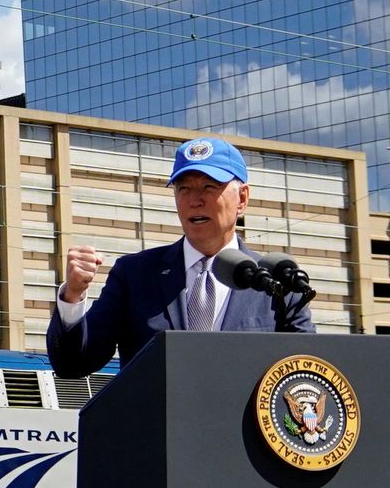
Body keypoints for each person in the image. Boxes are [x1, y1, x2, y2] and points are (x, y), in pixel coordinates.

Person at [47, 137, 315, 378]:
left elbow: (308, 372)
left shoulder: (276, 281)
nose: (194, 200)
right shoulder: (135, 274)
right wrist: (73, 296)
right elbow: (73, 364)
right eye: (183, 189)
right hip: (158, 431)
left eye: (209, 187)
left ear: (242, 198)